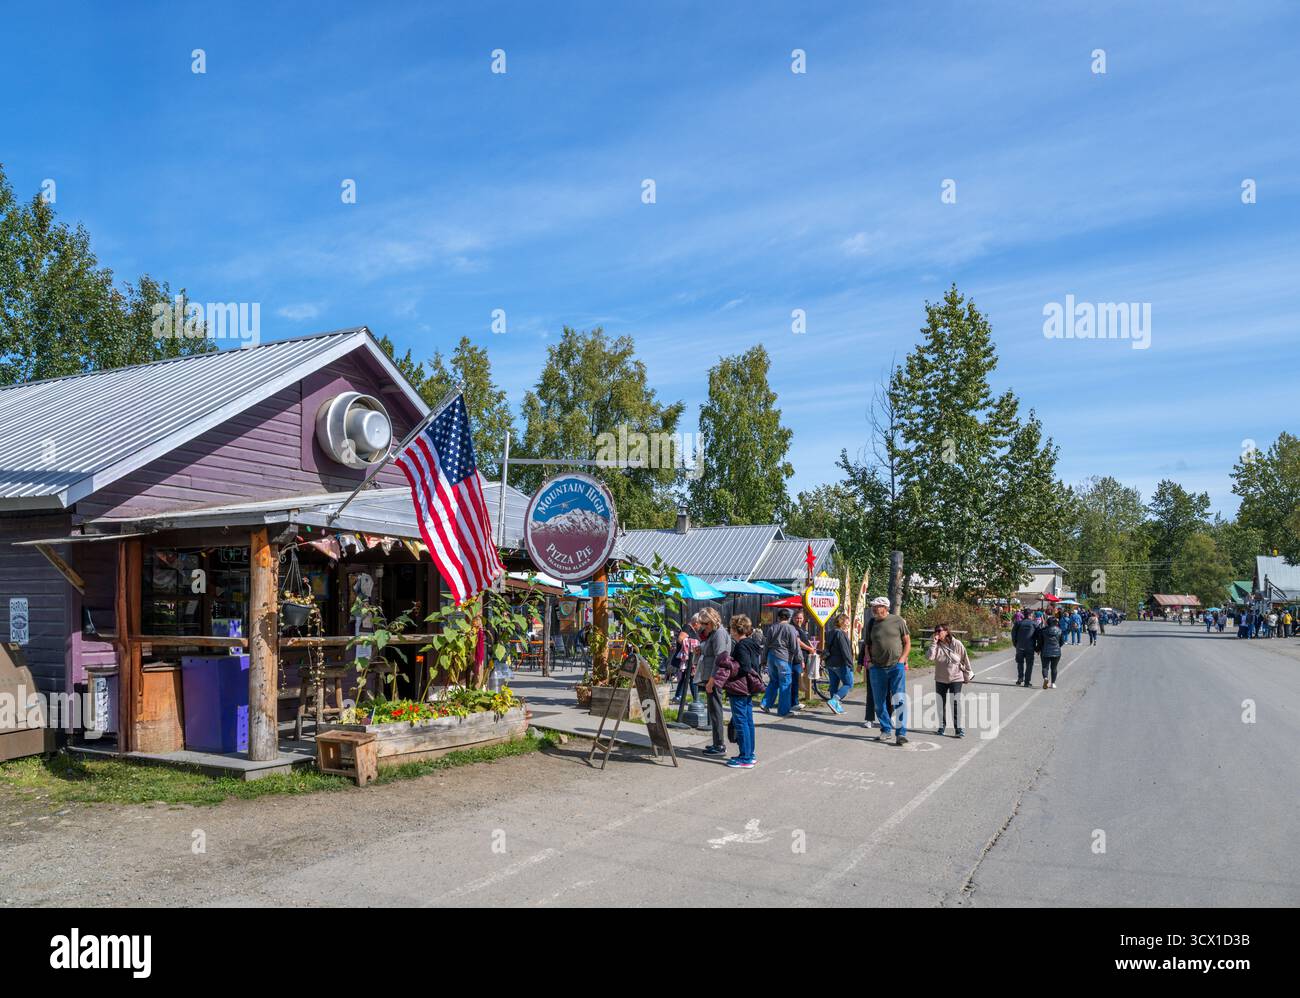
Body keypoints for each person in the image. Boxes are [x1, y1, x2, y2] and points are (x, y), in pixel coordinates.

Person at [711, 615, 763, 769]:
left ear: (735, 629)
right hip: (748, 688)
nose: (730, 631)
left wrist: (731, 668)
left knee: (741, 722)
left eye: (731, 628)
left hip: (739, 688)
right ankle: (749, 753)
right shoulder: (753, 643)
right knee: (747, 721)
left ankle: (746, 757)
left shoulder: (741, 646)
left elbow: (745, 667)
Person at [866, 596, 910, 745]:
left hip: (895, 667)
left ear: (885, 607)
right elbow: (867, 645)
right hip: (877, 668)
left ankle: (901, 733)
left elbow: (907, 642)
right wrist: (869, 662)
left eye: (876, 606)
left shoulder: (898, 621)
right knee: (879, 703)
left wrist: (902, 659)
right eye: (873, 606)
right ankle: (885, 729)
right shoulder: (871, 623)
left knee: (900, 700)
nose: (873, 609)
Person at [696, 608, 731, 757]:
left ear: (712, 621)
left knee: (716, 710)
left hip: (714, 676)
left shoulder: (719, 634)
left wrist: (712, 680)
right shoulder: (714, 633)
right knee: (713, 710)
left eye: (705, 623)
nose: (703, 626)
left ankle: (719, 745)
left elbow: (720, 659)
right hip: (710, 674)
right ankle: (717, 742)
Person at [928, 622, 972, 737]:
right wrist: (934, 643)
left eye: (940, 630)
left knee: (955, 703)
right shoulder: (936, 644)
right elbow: (930, 657)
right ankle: (941, 726)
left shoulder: (957, 643)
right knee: (940, 703)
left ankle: (958, 729)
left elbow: (965, 658)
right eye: (936, 631)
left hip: (956, 677)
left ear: (946, 631)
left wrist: (968, 673)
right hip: (940, 678)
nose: (937, 633)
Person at [760, 608, 801, 716]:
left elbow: (766, 645)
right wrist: (800, 659)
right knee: (785, 683)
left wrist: (763, 659)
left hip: (771, 657)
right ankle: (783, 711)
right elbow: (794, 645)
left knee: (774, 681)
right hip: (783, 658)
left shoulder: (772, 628)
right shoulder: (790, 628)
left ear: (778, 617)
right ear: (788, 618)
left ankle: (765, 703)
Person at [823, 612, 855, 714]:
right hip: (840, 663)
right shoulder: (840, 633)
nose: (848, 622)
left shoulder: (830, 632)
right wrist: (850, 664)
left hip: (830, 662)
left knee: (834, 685)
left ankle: (835, 707)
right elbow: (845, 650)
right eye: (847, 620)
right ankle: (834, 700)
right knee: (848, 684)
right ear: (842, 621)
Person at [790, 609, 816, 711]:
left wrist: (812, 647)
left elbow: (805, 639)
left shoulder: (801, 628)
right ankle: (794, 703)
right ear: (793, 618)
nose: (799, 620)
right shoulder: (793, 628)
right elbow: (798, 642)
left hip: (801, 658)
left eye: (800, 618)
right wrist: (809, 648)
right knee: (795, 680)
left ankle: (794, 702)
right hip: (795, 658)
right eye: (797, 618)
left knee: (797, 680)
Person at [670, 626, 700, 704]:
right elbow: (680, 640)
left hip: (687, 659)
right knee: (691, 678)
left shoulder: (693, 630)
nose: (700, 625)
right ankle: (696, 699)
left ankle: (678, 696)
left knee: (684, 678)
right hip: (686, 658)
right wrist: (690, 643)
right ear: (696, 623)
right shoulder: (687, 628)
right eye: (700, 623)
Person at [1012, 611, 1038, 686]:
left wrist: (1015, 644)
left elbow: (1013, 634)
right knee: (1029, 664)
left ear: (1024, 615)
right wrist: (1037, 648)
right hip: (1030, 647)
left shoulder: (1018, 623)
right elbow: (1038, 636)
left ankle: (1020, 678)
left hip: (1019, 646)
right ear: (1030, 615)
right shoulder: (1034, 624)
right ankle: (1027, 681)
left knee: (1020, 663)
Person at [1037, 613, 1063, 688]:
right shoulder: (1059, 631)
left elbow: (1040, 642)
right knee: (1054, 668)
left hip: (1045, 651)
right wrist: (1058, 646)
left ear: (1047, 623)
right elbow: (1062, 642)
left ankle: (1045, 678)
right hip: (1056, 652)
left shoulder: (1043, 631)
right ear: (1055, 623)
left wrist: (1038, 649)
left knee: (1045, 667)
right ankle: (1053, 683)